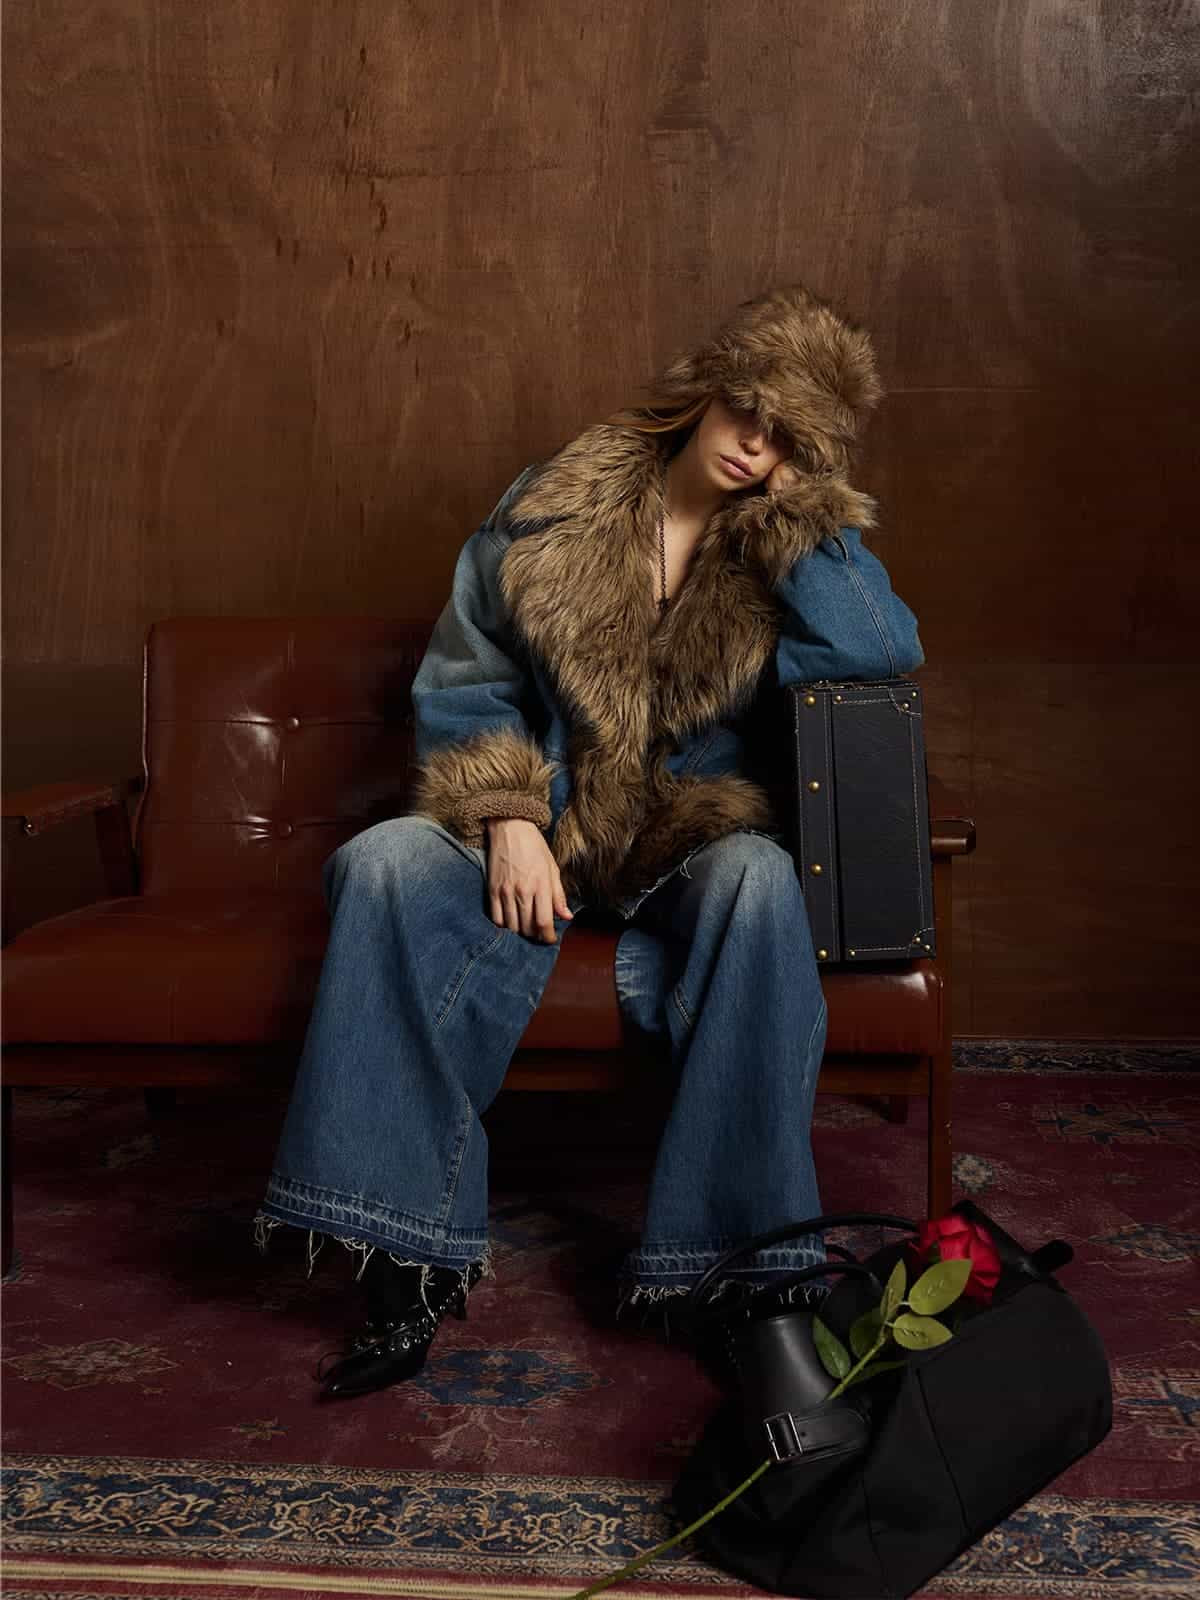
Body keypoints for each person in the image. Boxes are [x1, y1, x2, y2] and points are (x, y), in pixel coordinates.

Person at [251, 282, 925, 1400]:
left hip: (683, 830)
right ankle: (404, 1257)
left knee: (760, 882)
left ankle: (738, 1275)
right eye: (749, 411)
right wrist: (508, 815)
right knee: (381, 863)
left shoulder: (779, 545)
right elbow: (466, 674)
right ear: (709, 391)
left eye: (788, 439)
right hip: (546, 816)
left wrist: (806, 524)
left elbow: (881, 649)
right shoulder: (555, 498)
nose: (755, 446)